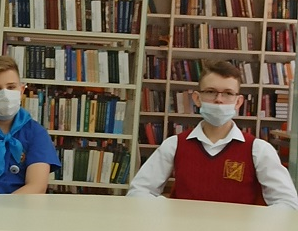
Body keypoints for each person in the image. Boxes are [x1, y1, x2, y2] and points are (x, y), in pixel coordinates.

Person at [127, 59, 298, 208]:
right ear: (197, 98)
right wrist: (168, 210)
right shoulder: (174, 145)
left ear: (238, 102)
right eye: (210, 91)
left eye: (228, 93)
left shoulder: (258, 150)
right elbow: (138, 192)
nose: (219, 99)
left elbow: (287, 203)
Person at [0, 55, 60, 194]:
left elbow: (37, 186)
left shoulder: (36, 133)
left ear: (21, 90)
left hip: (24, 206)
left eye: (11, 87)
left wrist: (10, 208)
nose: (5, 94)